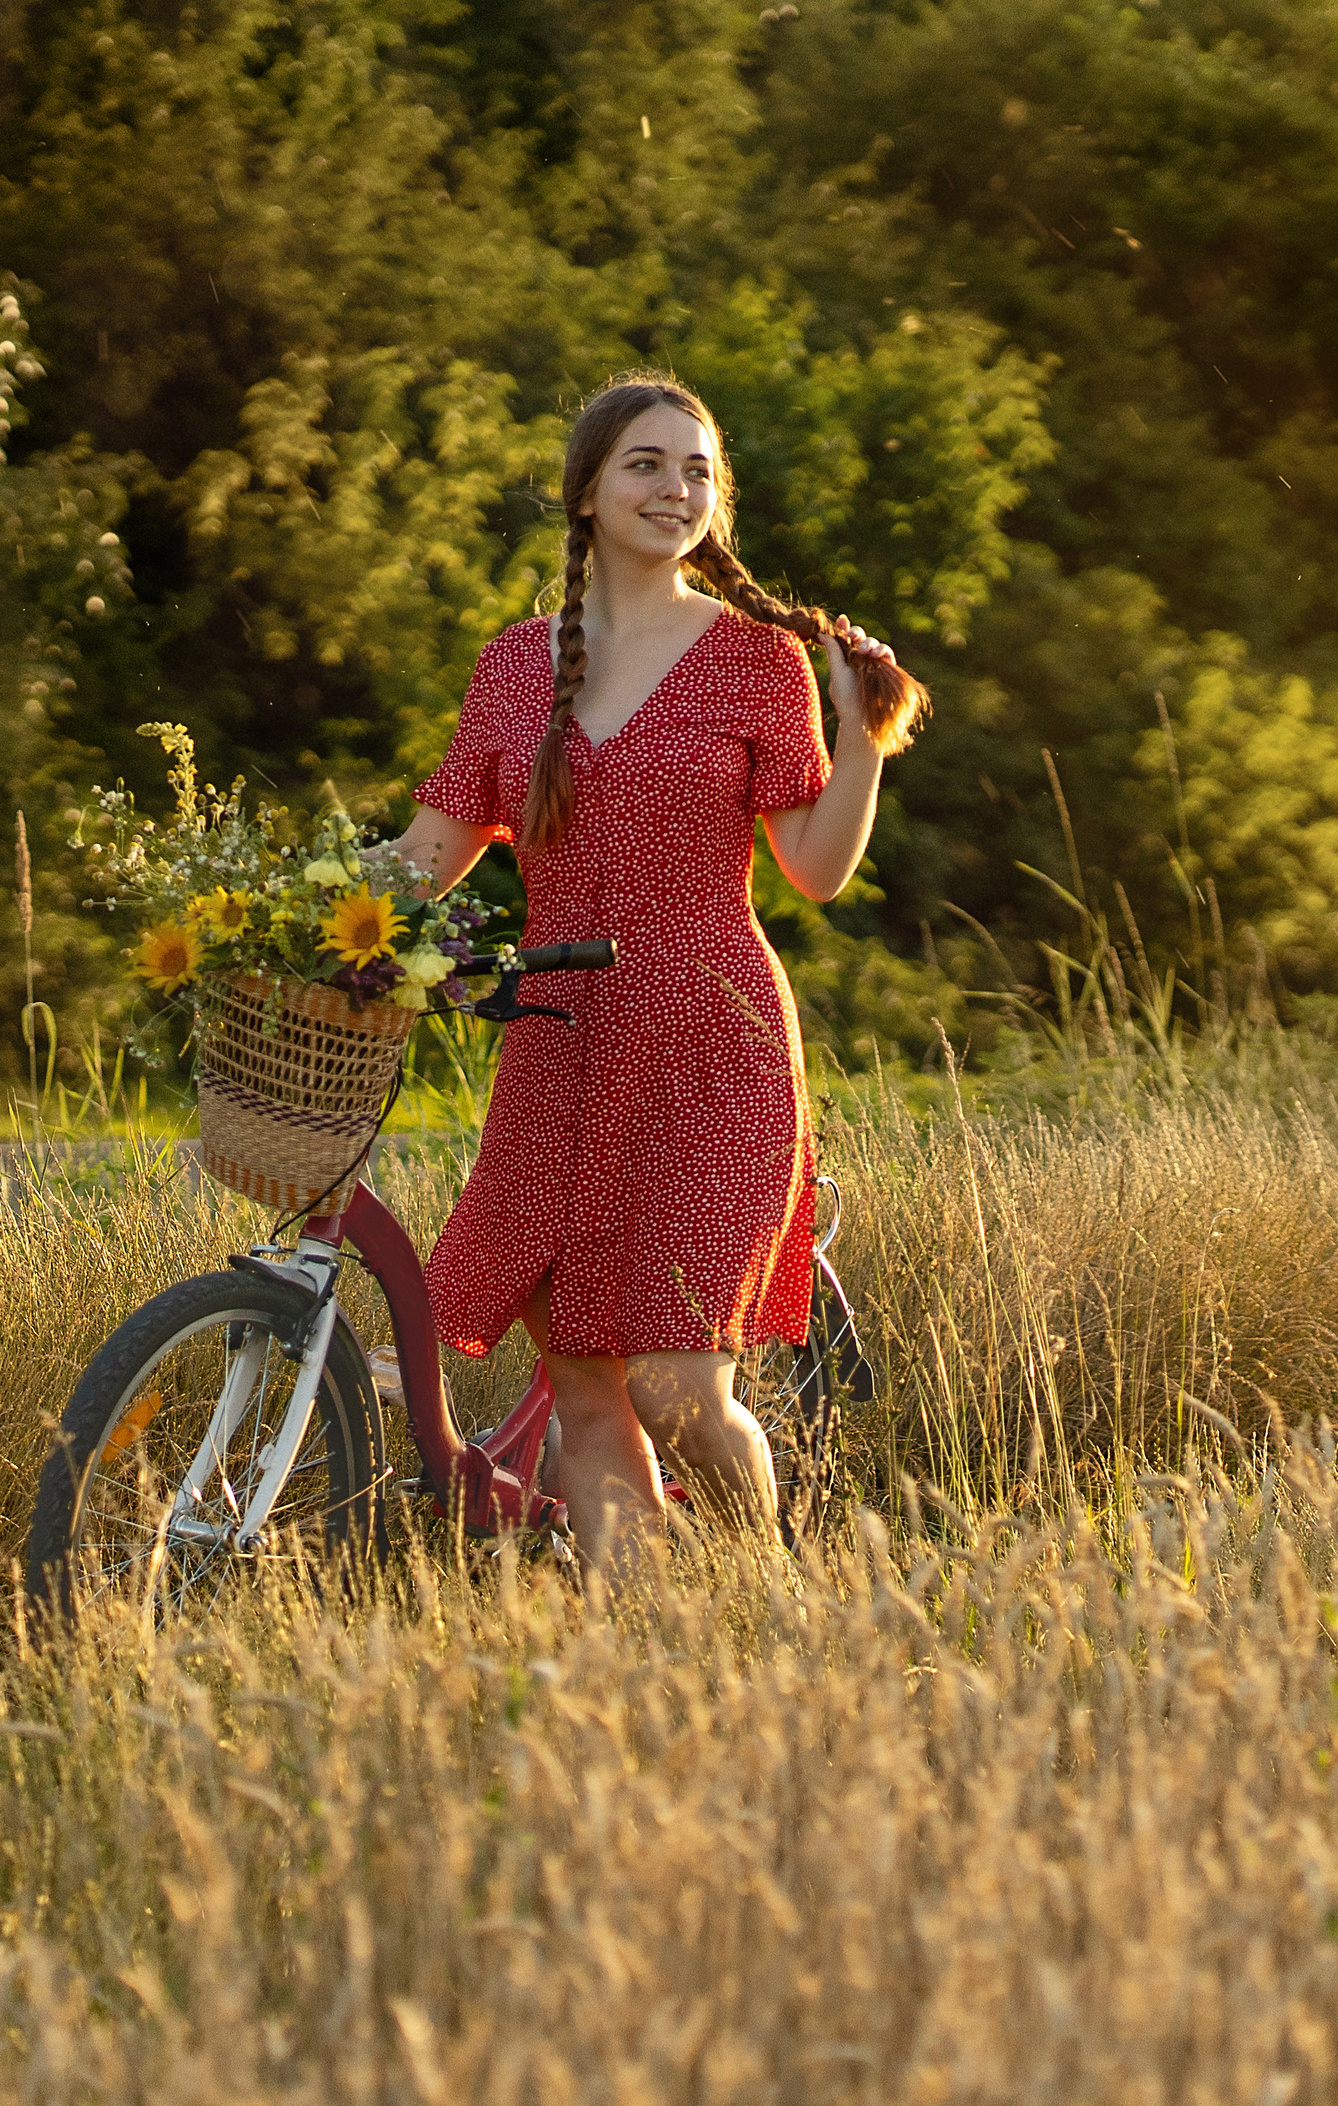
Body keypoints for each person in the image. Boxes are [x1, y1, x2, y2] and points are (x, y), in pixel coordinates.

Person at [374, 372, 927, 1577]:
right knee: (583, 1382)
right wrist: (288, 914)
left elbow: (816, 870)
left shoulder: (757, 662)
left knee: (679, 1385)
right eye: (646, 464)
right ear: (586, 491)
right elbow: (423, 858)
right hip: (560, 1038)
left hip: (715, 1038)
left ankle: (771, 1600)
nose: (675, 489)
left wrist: (860, 737)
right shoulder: (514, 666)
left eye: (697, 471)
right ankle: (648, 1639)